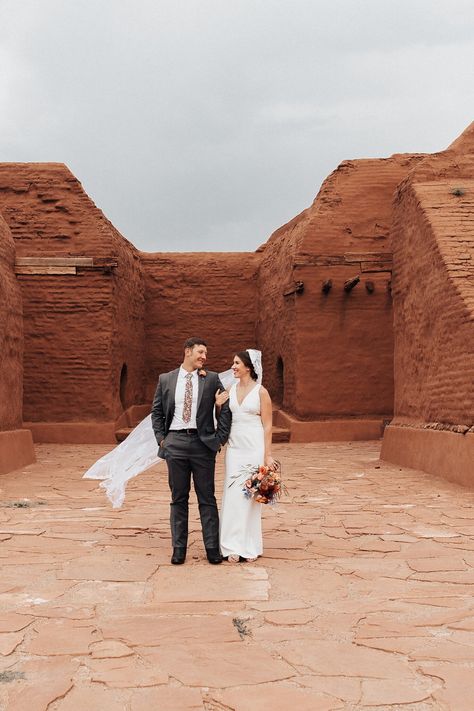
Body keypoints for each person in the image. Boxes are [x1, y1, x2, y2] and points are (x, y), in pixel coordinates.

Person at [151, 337, 231, 565]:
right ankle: (178, 549)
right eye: (201, 352)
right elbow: (156, 412)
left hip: (202, 444)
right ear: (188, 351)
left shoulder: (212, 379)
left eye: (205, 353)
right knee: (178, 498)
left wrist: (219, 439)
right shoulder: (165, 379)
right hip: (174, 443)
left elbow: (225, 409)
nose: (204, 357)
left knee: (207, 498)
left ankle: (212, 549)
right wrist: (162, 441)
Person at [217, 350, 277, 563]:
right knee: (233, 495)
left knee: (250, 496)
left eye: (236, 363)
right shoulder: (230, 389)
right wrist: (217, 405)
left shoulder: (261, 392)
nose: (232, 367)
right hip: (234, 448)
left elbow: (268, 425)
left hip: (254, 447)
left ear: (248, 367)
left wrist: (267, 455)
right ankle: (230, 545)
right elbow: (223, 417)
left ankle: (249, 545)